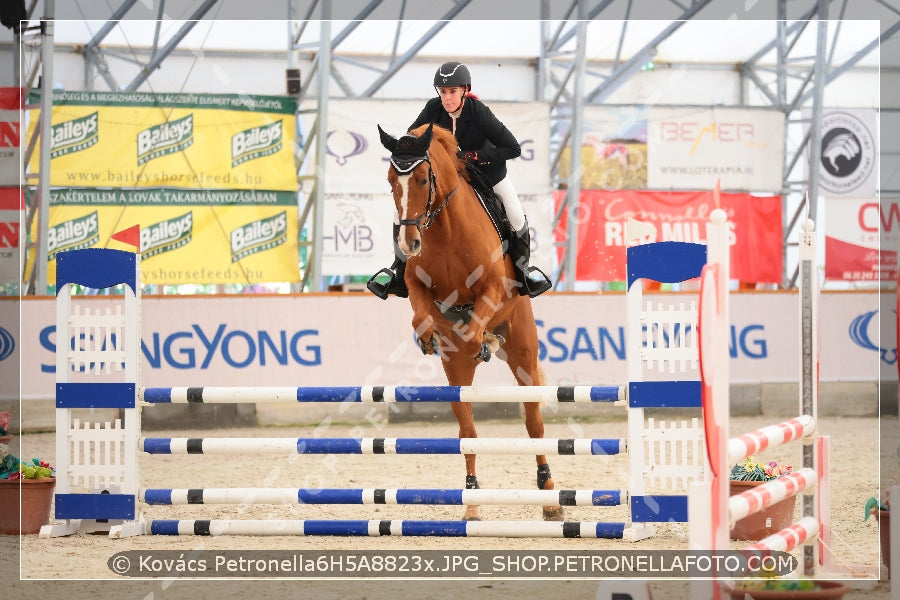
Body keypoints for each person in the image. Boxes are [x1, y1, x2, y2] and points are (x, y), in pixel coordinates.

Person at [367, 61, 553, 300]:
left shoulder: (478, 112)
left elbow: (512, 147)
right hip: (448, 180)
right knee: (399, 213)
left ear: (464, 90)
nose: (447, 98)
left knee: (515, 215)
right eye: (443, 92)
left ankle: (524, 272)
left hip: (487, 175)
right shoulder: (433, 109)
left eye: (452, 91)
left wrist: (476, 156)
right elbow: (413, 137)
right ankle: (398, 271)